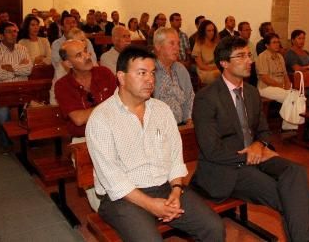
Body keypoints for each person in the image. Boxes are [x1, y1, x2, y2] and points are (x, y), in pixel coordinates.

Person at [86, 45, 225, 242]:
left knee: (214, 227)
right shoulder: (102, 118)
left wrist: (176, 190)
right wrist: (151, 205)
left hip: (165, 188)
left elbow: (176, 157)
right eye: (141, 73)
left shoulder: (162, 110)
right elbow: (113, 179)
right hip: (122, 198)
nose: (150, 80)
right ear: (121, 77)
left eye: (152, 73)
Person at [192, 36, 309, 242]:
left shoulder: (251, 92)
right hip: (225, 168)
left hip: (256, 156)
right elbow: (211, 149)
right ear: (224, 63)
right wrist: (250, 154)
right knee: (287, 196)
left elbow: (264, 131)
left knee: (296, 171)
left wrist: (259, 145)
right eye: (241, 56)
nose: (249, 60)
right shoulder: (207, 97)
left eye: (249, 55)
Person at [0, 22, 33, 153]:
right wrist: (20, 67)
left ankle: (28, 139)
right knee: (2, 115)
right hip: (4, 91)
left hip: (23, 89)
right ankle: (5, 140)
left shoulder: (23, 49)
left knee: (36, 111)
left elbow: (29, 70)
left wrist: (10, 68)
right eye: (9, 31)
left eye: (15, 31)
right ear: (1, 36)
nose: (14, 34)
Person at [50, 14, 97, 104]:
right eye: (68, 23)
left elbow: (92, 62)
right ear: (62, 27)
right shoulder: (58, 46)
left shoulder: (87, 43)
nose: (72, 25)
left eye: (74, 22)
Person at [153, 28, 195, 126]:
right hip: (159, 128)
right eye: (172, 43)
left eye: (178, 44)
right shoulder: (151, 70)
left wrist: (189, 120)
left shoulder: (180, 69)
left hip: (182, 126)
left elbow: (190, 97)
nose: (177, 48)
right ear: (158, 46)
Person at [257, 33, 298, 131]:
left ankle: (291, 125)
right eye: (274, 42)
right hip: (265, 88)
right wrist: (282, 86)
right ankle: (288, 126)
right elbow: (265, 78)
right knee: (290, 97)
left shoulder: (280, 56)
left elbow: (285, 74)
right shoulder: (262, 57)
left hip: (280, 86)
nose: (277, 45)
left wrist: (288, 84)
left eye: (278, 42)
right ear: (267, 45)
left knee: (297, 95)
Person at [192, 20, 220, 85]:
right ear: (203, 32)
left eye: (213, 30)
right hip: (204, 71)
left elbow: (220, 60)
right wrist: (215, 68)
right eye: (209, 31)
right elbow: (201, 65)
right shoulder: (198, 44)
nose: (212, 33)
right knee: (220, 74)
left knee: (229, 72)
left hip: (216, 68)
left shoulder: (216, 43)